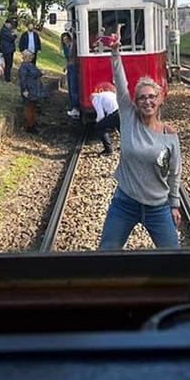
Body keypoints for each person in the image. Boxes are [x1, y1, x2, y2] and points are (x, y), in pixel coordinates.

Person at [98, 28, 181, 250]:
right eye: (142, 98)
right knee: (106, 253)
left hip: (158, 207)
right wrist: (115, 54)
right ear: (135, 102)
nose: (147, 102)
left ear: (160, 100)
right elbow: (120, 81)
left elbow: (174, 172)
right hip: (125, 202)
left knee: (174, 257)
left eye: (152, 97)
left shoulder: (169, 135)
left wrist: (174, 204)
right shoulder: (128, 117)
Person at [18, 49, 44, 133]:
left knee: (32, 107)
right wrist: (25, 89)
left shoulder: (29, 65)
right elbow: (23, 80)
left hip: (34, 89)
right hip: (30, 89)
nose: (31, 58)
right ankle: (30, 125)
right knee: (29, 108)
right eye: (30, 56)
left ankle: (32, 123)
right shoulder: (24, 67)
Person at [91, 82, 119, 155]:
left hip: (115, 113)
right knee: (121, 128)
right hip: (122, 110)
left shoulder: (95, 98)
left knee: (99, 127)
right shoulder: (108, 93)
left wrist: (97, 121)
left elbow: (101, 115)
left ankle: (108, 150)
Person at [61, 30, 80, 118]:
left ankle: (75, 108)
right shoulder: (66, 46)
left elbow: (71, 56)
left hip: (73, 66)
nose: (65, 40)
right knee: (71, 87)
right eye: (63, 39)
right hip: (70, 66)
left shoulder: (73, 44)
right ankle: (73, 106)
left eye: (66, 39)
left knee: (73, 87)